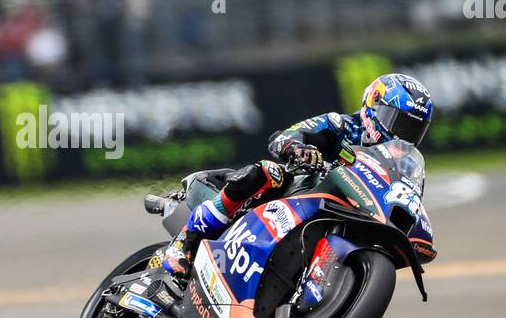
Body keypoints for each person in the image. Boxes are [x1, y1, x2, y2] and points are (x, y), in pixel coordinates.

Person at [151, 73, 435, 278]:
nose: (401, 136)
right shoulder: (339, 125)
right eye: (396, 122)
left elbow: (404, 195)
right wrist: (298, 149)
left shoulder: (404, 163)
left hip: (340, 213)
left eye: (412, 130)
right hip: (292, 192)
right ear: (372, 107)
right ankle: (186, 241)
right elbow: (282, 138)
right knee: (267, 171)